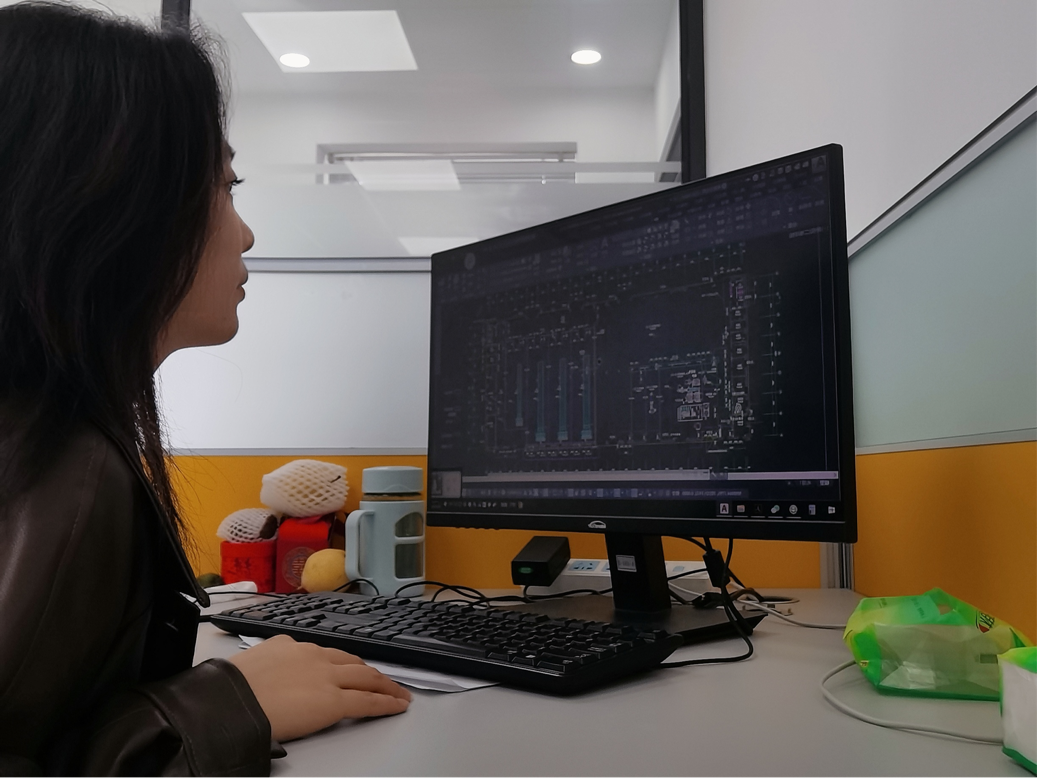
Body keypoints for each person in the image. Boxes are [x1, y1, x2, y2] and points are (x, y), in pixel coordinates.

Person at [0, 3, 411, 775]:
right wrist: (215, 706)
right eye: (225, 186)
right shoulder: (62, 469)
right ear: (115, 200)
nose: (246, 233)